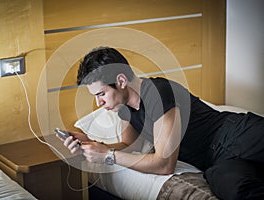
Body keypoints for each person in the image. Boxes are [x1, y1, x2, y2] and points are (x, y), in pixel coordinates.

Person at [58, 47, 264, 200]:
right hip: (217, 162)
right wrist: (91, 144)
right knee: (235, 190)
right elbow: (130, 148)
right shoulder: (124, 111)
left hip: (238, 134)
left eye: (102, 94)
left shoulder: (158, 92)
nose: (99, 103)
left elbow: (164, 164)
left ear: (121, 81)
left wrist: (107, 157)